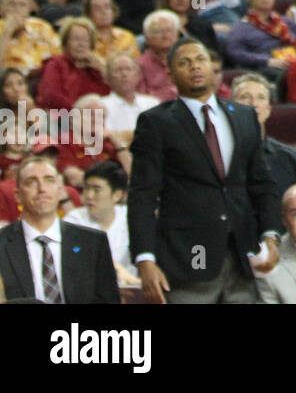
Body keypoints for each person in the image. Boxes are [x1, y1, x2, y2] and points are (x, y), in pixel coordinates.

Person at [128, 38, 281, 303]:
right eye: (184, 63)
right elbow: (142, 195)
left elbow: (261, 183)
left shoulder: (244, 117)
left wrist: (270, 232)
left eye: (200, 60)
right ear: (171, 74)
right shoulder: (156, 122)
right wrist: (144, 258)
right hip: (185, 261)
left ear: (212, 67)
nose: (194, 67)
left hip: (242, 257)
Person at [0, 156, 119, 303]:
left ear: (60, 190)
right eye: (32, 182)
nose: (42, 189)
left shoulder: (93, 243)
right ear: (18, 196)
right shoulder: (2, 244)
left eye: (49, 180)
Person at [231, 73, 296, 210]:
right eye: (245, 97)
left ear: (268, 109)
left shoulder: (290, 158)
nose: (254, 104)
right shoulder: (219, 155)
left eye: (261, 97)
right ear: (231, 106)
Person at [63, 160, 137, 284]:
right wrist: (119, 270)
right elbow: (78, 254)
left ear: (117, 195)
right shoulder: (74, 219)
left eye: (97, 189)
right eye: (86, 188)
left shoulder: (130, 217)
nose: (89, 196)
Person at [35, 16, 110, 111]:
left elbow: (110, 96)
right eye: (76, 39)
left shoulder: (96, 68)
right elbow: (51, 96)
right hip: (61, 117)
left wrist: (102, 70)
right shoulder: (55, 63)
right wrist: (76, 113)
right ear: (66, 43)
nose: (81, 44)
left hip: (94, 119)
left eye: (85, 40)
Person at [0, 0, 60, 75]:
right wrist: (7, 32)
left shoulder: (42, 27)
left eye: (22, 5)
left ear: (28, 10)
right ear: (1, 9)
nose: (17, 10)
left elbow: (60, 61)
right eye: (11, 4)